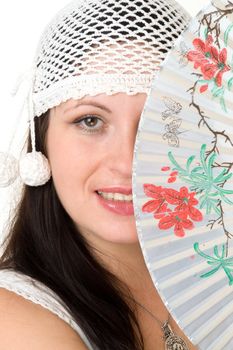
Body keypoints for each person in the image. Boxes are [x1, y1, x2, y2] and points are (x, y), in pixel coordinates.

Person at [0, 0, 196, 349]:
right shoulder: (15, 322)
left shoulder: (212, 281)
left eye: (161, 123)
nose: (127, 163)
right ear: (42, 138)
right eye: (90, 121)